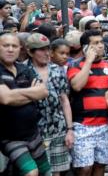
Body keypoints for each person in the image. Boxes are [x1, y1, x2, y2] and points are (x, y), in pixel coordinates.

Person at [67, 30, 108, 176]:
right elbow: (77, 85)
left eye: (101, 42)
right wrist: (88, 61)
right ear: (85, 48)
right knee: (85, 168)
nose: (101, 46)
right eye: (95, 43)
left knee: (100, 165)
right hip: (83, 125)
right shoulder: (75, 65)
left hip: (105, 125)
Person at [0, 33, 50, 176]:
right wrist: (33, 93)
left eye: (14, 46)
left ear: (20, 49)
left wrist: (16, 94)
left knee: (46, 172)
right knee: (31, 172)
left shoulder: (24, 69)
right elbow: (6, 98)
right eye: (6, 46)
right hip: (10, 137)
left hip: (33, 134)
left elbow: (44, 92)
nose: (10, 49)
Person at [26, 34, 74, 176]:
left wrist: (69, 129)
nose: (46, 53)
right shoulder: (24, 71)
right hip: (35, 132)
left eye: (47, 49)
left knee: (57, 171)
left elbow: (64, 100)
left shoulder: (57, 70)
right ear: (30, 51)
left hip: (58, 129)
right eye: (41, 49)